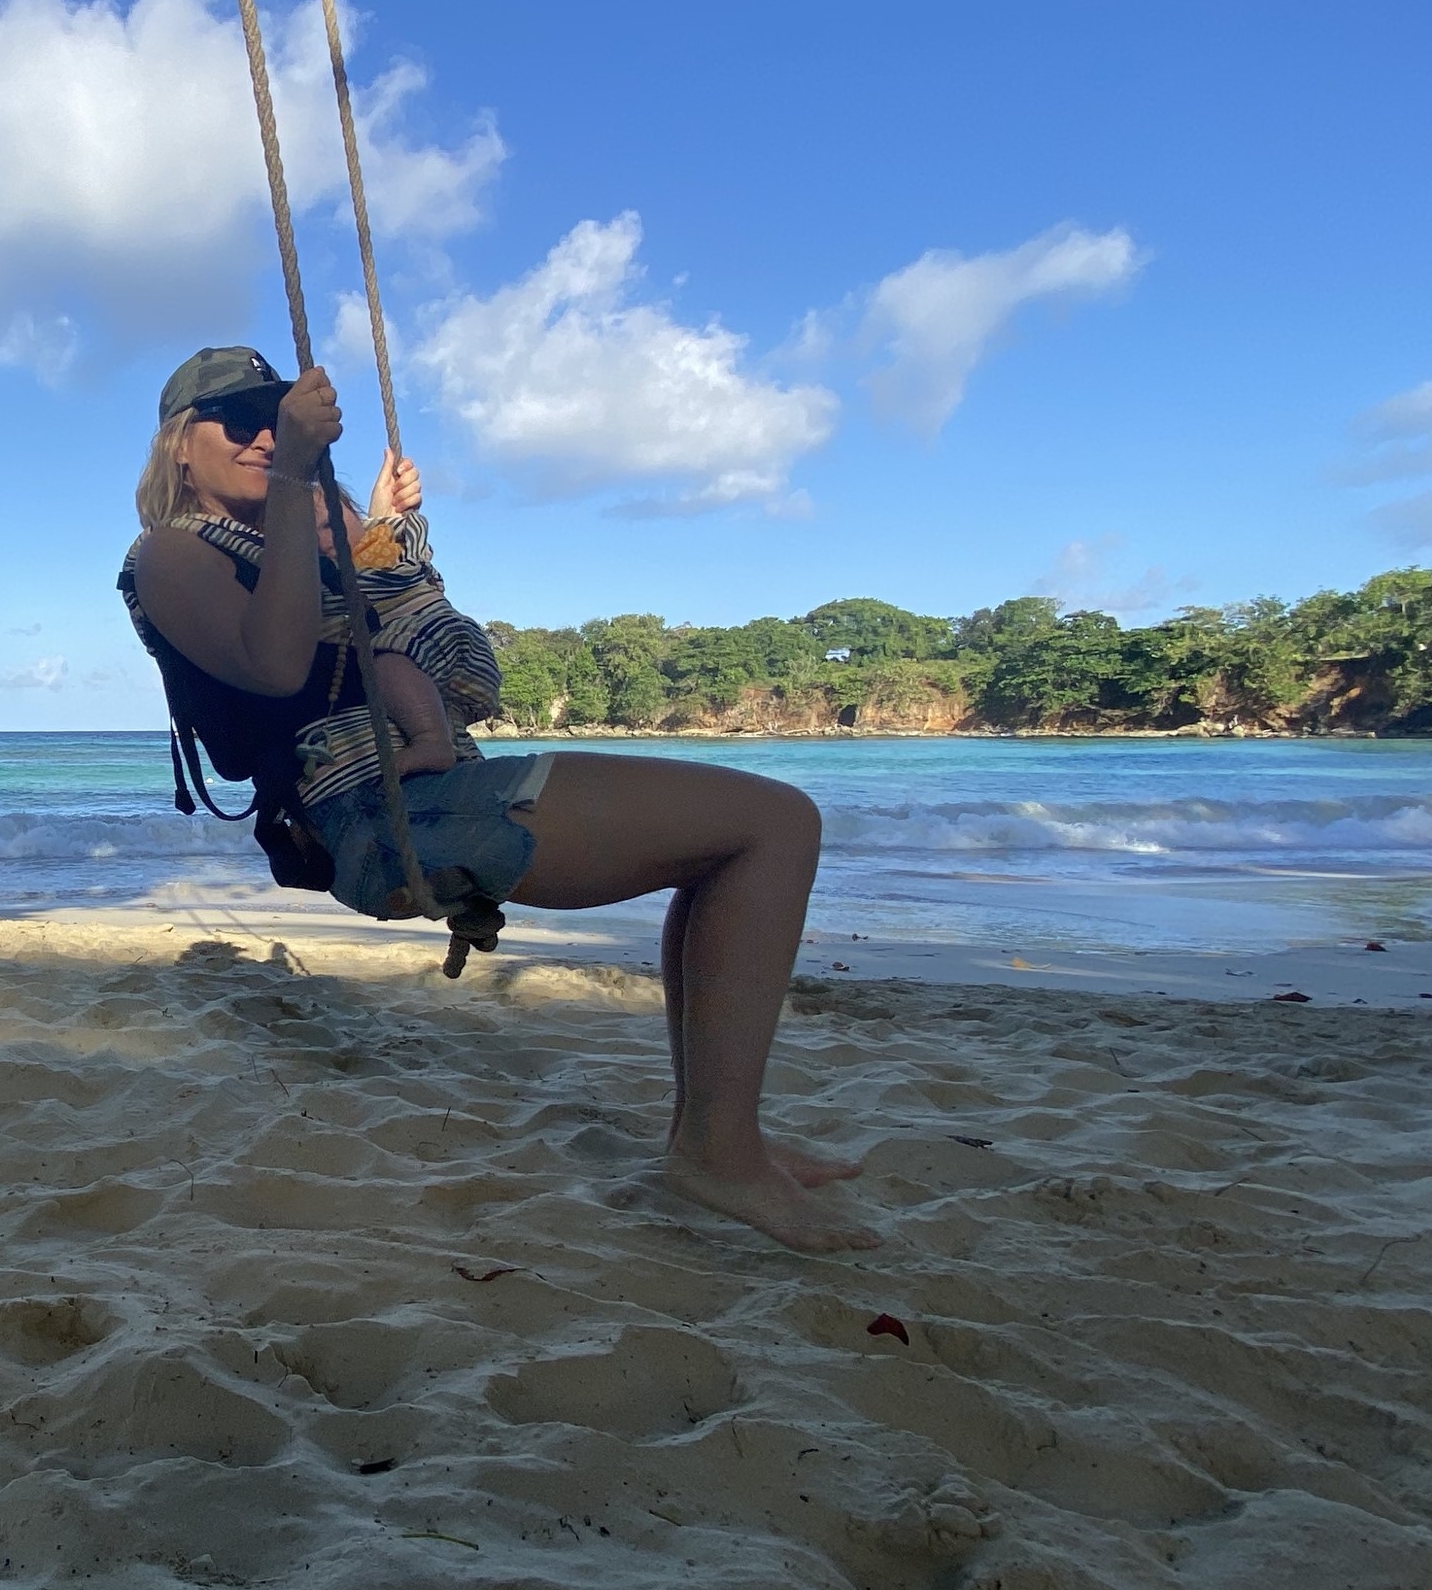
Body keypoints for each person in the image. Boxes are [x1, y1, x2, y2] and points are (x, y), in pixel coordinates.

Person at [124, 346, 873, 1253]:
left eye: (275, 421)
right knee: (773, 825)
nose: (262, 437)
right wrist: (293, 481)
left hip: (433, 790)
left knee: (741, 842)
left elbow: (377, 594)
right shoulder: (168, 554)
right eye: (238, 421)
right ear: (176, 447)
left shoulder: (304, 533)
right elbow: (277, 665)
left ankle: (720, 1137)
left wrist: (372, 515)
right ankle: (717, 1148)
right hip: (374, 814)